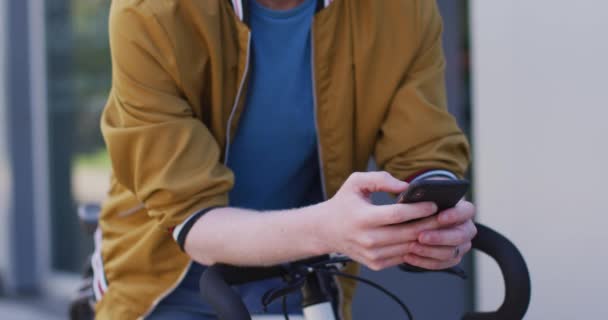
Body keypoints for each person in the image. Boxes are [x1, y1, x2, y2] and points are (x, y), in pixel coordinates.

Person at [95, 0, 476, 319]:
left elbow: (423, 147)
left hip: (304, 278)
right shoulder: (150, 12)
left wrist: (436, 215)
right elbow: (193, 220)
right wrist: (328, 230)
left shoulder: (399, 10)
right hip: (165, 282)